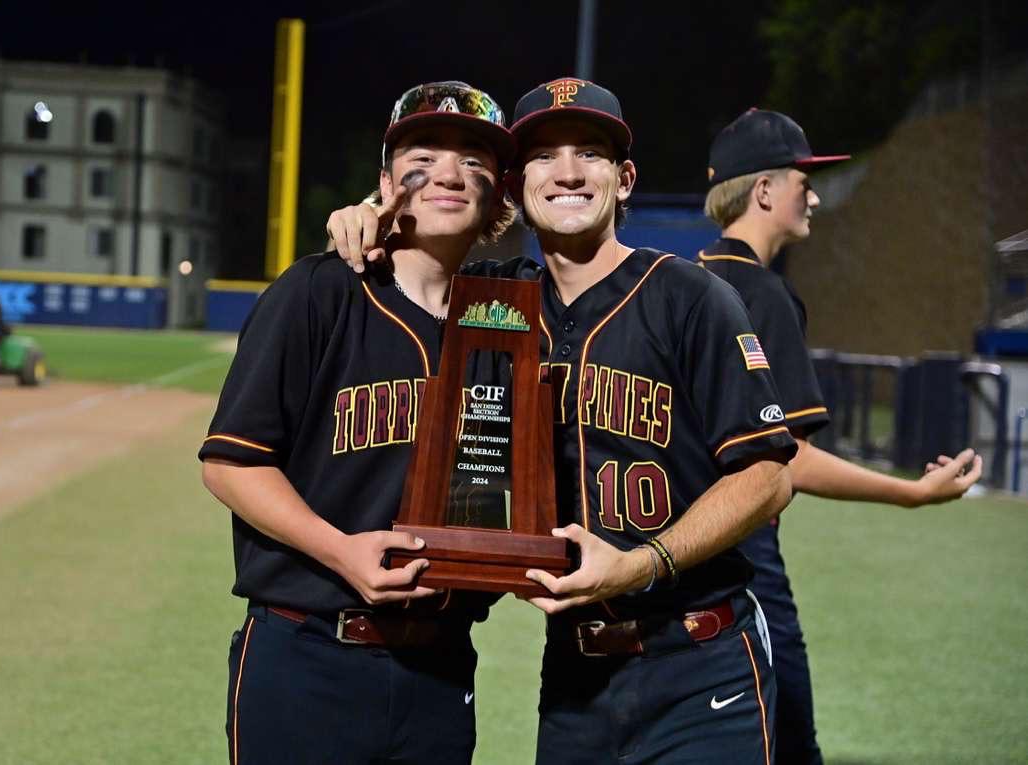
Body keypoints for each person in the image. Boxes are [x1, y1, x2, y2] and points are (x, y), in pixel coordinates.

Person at [329, 78, 799, 764]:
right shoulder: (494, 302)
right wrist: (371, 217)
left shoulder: (693, 297)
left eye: (592, 153)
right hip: (577, 677)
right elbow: (417, 264)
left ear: (625, 177)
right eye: (546, 156)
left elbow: (768, 476)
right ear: (517, 187)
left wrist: (642, 562)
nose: (571, 172)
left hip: (699, 661)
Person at [199, 81, 517, 765]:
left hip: (440, 668)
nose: (450, 172)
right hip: (308, 651)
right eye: (424, 152)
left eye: (475, 158)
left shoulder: (509, 316)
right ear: (384, 181)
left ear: (499, 191)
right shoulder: (319, 291)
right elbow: (230, 463)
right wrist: (340, 550)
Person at [699, 107, 984, 764]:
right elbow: (787, 457)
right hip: (747, 557)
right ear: (763, 191)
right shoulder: (763, 294)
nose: (816, 194)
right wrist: (909, 493)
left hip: (686, 554)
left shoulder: (685, 278)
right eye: (803, 180)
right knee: (793, 741)